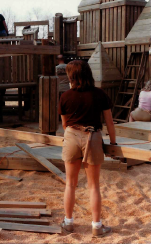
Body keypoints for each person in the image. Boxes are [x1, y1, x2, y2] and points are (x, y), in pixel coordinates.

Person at [58, 60, 116, 238]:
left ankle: (68, 223)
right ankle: (97, 226)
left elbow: (65, 123)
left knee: (70, 184)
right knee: (93, 186)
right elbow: (109, 122)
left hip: (72, 136)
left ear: (71, 77)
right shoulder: (100, 94)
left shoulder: (65, 96)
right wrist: (113, 143)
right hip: (93, 137)